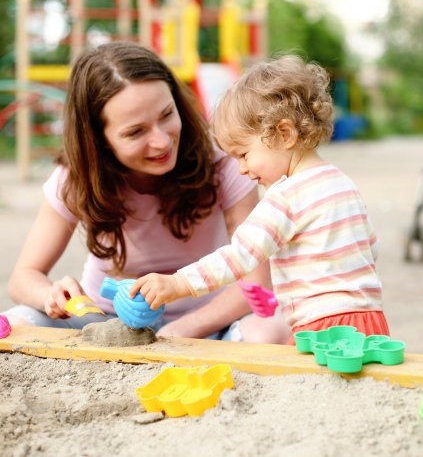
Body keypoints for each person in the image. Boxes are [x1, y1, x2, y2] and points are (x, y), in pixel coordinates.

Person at [4, 41, 290, 343]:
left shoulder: (224, 160)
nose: (162, 142)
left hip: (207, 321)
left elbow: (256, 285)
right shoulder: (74, 179)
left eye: (167, 115)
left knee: (271, 329)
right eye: (135, 132)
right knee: (17, 321)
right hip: (102, 321)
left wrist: (178, 331)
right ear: (98, 140)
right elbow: (24, 276)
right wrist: (50, 294)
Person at [130, 54, 390, 345]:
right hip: (371, 321)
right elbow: (369, 247)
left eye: (244, 154)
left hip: (321, 327)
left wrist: (177, 283)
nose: (241, 168)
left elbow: (239, 257)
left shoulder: (285, 196)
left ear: (285, 133)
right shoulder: (343, 183)